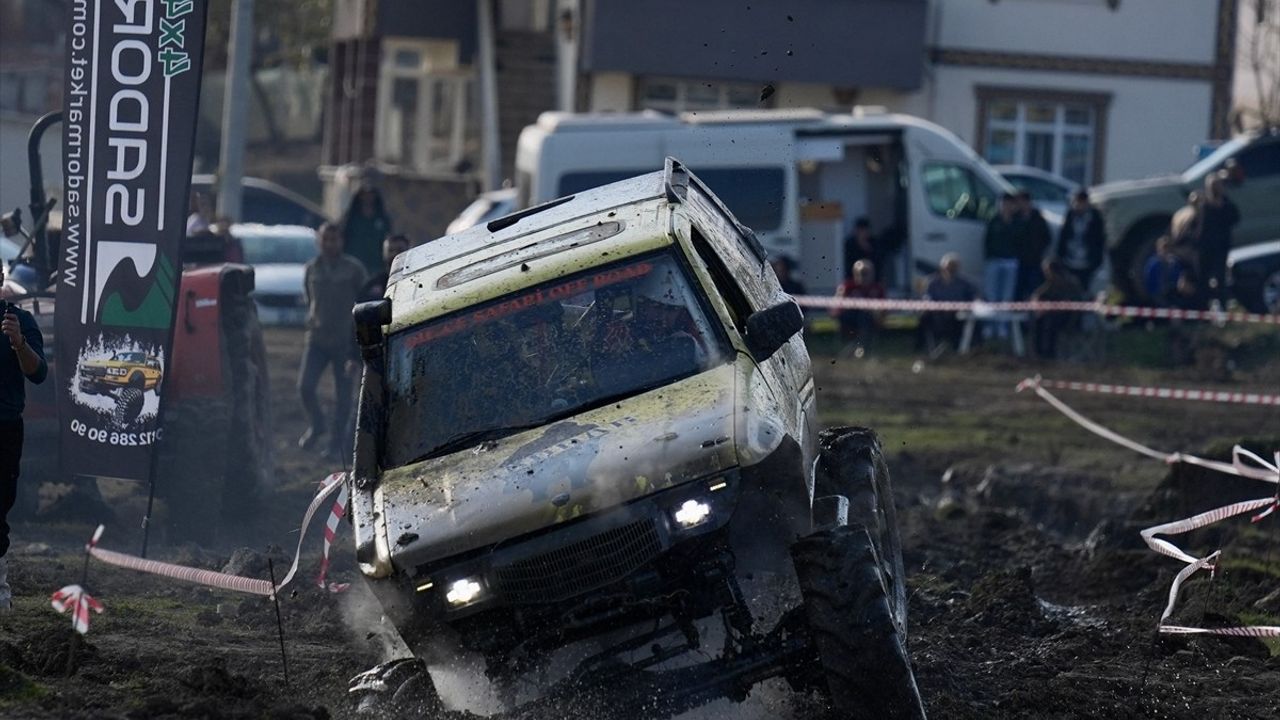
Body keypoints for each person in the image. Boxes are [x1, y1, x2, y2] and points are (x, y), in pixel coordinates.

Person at [1, 263, 49, 611]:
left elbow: (38, 374)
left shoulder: (18, 321)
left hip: (4, 427)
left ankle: (0, 592)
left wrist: (18, 343)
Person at [299, 222, 368, 460]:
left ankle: (335, 446)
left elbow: (364, 299)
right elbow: (309, 300)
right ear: (319, 241)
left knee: (343, 398)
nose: (330, 244)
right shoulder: (311, 268)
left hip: (345, 342)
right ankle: (317, 424)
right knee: (305, 387)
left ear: (341, 241)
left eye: (334, 239)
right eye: (325, 239)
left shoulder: (353, 269)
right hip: (317, 339)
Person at [1197, 172, 1240, 306]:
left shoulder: (1226, 203)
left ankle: (1222, 307)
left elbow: (1235, 218)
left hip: (1221, 247)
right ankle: (1204, 309)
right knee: (1204, 279)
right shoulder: (1205, 206)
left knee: (1220, 278)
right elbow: (1202, 227)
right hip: (1207, 248)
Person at [921, 253, 978, 354]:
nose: (951, 269)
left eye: (954, 266)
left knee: (971, 322)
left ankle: (967, 347)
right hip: (938, 313)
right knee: (924, 318)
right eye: (949, 266)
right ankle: (925, 346)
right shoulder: (933, 282)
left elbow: (973, 296)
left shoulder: (964, 283)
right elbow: (927, 298)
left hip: (958, 314)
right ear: (942, 267)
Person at [983, 193, 1021, 339]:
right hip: (994, 261)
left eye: (1008, 203)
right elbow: (987, 241)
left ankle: (1002, 326)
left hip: (1011, 262)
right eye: (1003, 203)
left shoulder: (1016, 222)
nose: (1005, 206)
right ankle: (990, 325)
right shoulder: (993, 221)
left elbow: (1019, 242)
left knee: (1006, 297)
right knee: (992, 295)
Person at [1030, 258, 1085, 359]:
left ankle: (1050, 354)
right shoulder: (1050, 284)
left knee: (1051, 322)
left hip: (1070, 317)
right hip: (1053, 314)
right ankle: (1038, 353)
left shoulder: (1071, 283)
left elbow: (1073, 303)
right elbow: (1038, 294)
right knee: (1039, 320)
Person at [1054, 190, 1106, 291]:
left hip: (1087, 262)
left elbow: (1099, 240)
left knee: (1083, 289)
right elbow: (1063, 236)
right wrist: (1060, 256)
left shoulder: (1095, 217)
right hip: (1069, 260)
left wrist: (1096, 260)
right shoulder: (1070, 215)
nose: (1079, 205)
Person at [341, 184, 394, 277]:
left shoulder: (382, 218)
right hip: (355, 263)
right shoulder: (351, 218)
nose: (368, 197)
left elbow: (388, 238)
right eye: (365, 194)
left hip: (376, 265)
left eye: (371, 194)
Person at [832, 259, 884, 351]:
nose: (863, 277)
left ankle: (860, 348)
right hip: (850, 318)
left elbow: (884, 310)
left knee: (865, 318)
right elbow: (835, 310)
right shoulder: (847, 287)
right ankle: (855, 348)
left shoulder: (878, 289)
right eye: (860, 273)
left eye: (866, 273)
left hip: (870, 320)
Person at [1015, 190, 1052, 299]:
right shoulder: (1016, 218)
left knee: (1034, 286)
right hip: (1019, 259)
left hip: (1034, 260)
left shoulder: (1038, 219)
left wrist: (1038, 250)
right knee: (1018, 288)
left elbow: (1047, 238)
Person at [360, 234, 412, 302]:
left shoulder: (417, 279)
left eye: (400, 250)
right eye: (390, 250)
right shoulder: (375, 284)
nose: (394, 254)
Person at [1143, 236, 1187, 308]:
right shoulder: (1153, 263)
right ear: (1158, 248)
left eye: (1168, 247)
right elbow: (1149, 281)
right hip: (1157, 295)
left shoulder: (1174, 262)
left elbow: (1179, 277)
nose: (1166, 250)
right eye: (1164, 247)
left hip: (1173, 294)